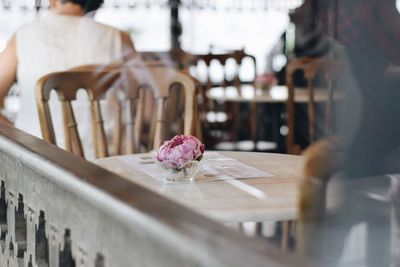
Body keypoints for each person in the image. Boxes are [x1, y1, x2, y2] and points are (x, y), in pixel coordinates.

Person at [0, 0, 136, 157]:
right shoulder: (119, 38)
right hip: (111, 163)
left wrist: (20, 136)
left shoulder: (22, 37)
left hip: (38, 161)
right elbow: (146, 110)